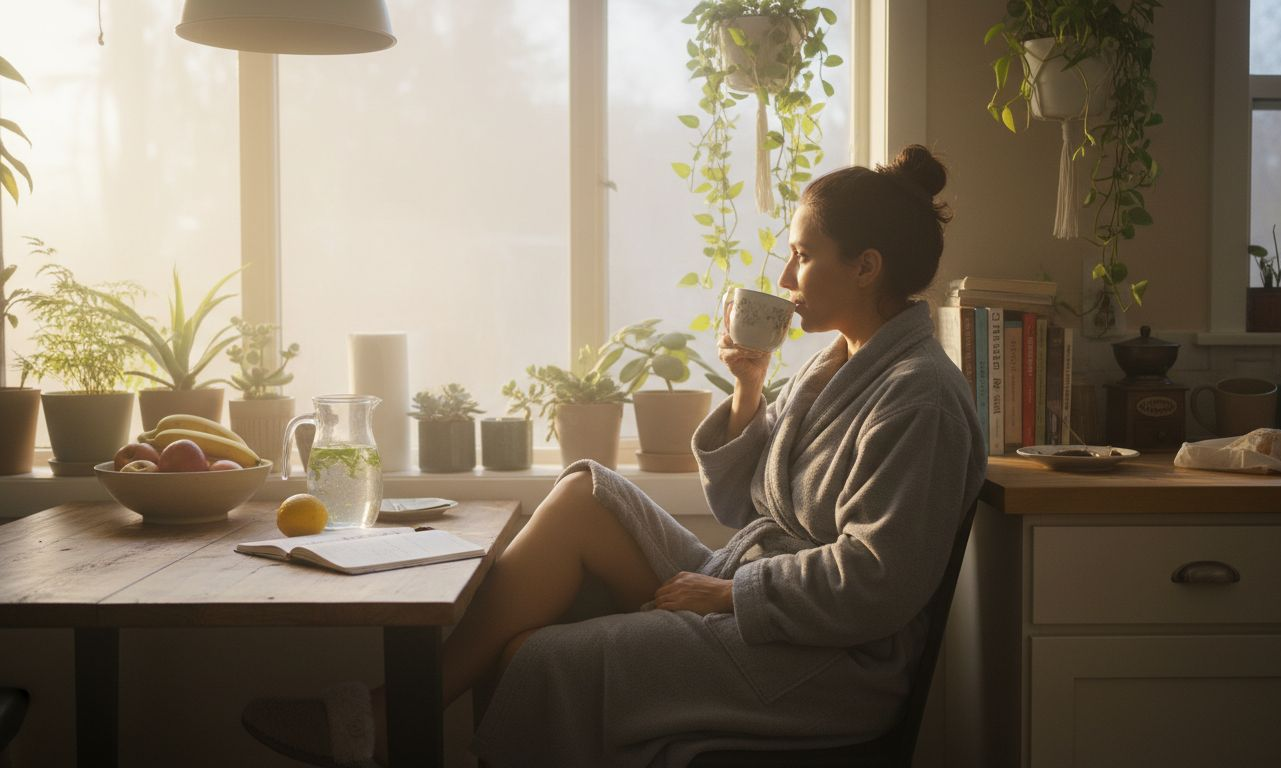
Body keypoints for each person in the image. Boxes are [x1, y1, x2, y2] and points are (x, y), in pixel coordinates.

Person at [243, 144, 987, 768]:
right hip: (768, 596)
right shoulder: (835, 365)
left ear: (865, 267)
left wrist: (729, 595)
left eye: (801, 256)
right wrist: (749, 388)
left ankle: (383, 722)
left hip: (827, 662)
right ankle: (389, 719)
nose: (787, 279)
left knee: (532, 656)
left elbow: (879, 583)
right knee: (584, 492)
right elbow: (741, 506)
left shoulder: (919, 397)